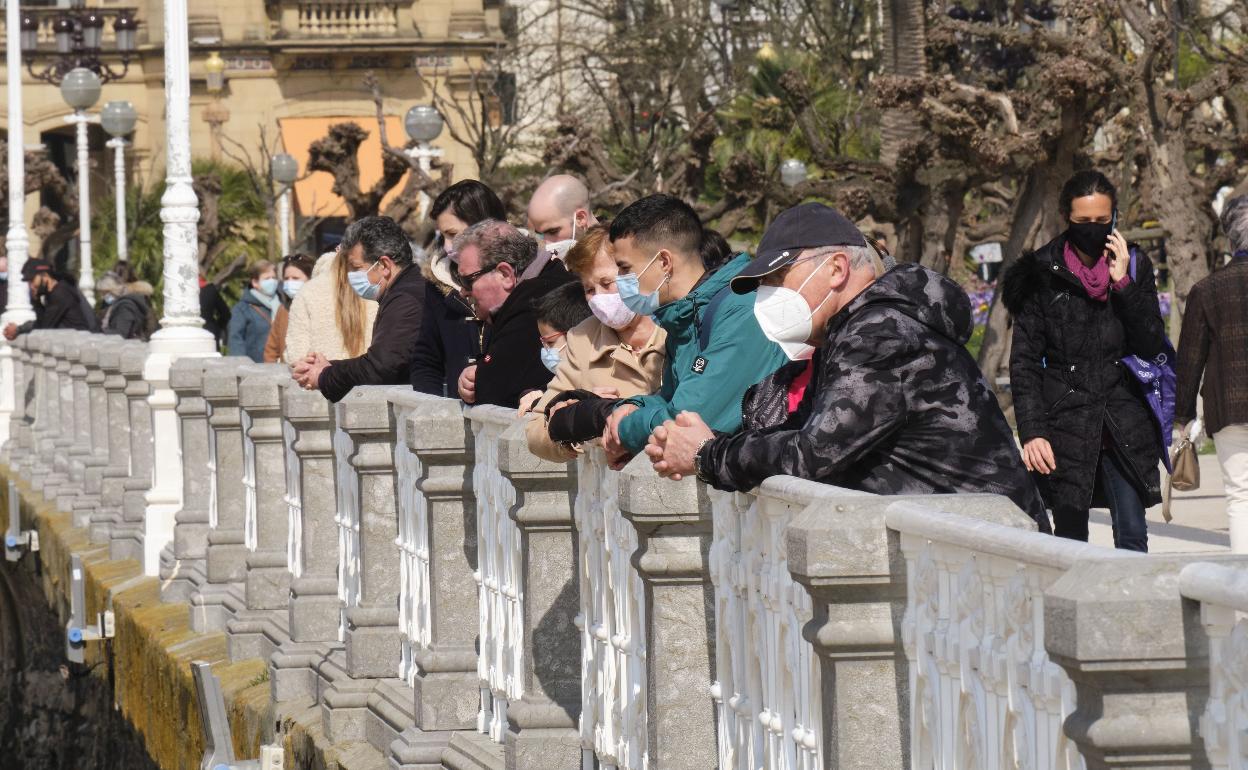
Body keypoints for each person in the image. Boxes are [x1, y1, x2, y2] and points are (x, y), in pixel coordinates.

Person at [643, 202, 1050, 531]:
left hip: (990, 557)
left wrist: (707, 454)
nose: (768, 295)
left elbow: (813, 454)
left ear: (836, 268)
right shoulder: (849, 332)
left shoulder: (880, 333)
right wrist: (707, 443)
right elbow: (795, 431)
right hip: (957, 552)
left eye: (779, 276)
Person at [1002, 171, 1167, 550]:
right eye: (1083, 222)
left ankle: (1133, 609)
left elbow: (1151, 344)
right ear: (1066, 217)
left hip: (1123, 419)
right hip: (1065, 423)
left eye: (1102, 221)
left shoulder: (1135, 265)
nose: (1093, 229)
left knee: (1132, 535)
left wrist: (1123, 284)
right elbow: (1024, 361)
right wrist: (1032, 431)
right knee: (1071, 538)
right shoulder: (1040, 273)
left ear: (1114, 217)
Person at [600, 194, 788, 469]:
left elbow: (689, 420)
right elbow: (671, 398)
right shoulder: (685, 316)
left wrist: (625, 429)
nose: (620, 282)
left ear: (664, 262)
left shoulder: (740, 311)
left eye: (625, 269)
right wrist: (629, 407)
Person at [524, 225, 667, 462]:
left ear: (635, 272)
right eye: (589, 289)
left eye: (607, 283)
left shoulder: (675, 327)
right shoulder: (583, 337)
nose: (599, 297)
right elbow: (537, 432)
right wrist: (578, 418)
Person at [1175, 195, 1248, 552]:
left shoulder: (1206, 290)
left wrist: (1182, 417)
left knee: (1240, 497)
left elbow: (1189, 360)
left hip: (1229, 406)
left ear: (1230, 238)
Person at [292, 216, 425, 402]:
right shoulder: (400, 292)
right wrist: (329, 367)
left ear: (385, 265)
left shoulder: (406, 300)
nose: (351, 277)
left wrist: (325, 375)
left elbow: (380, 368)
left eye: (356, 268)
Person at [455, 219, 578, 408]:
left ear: (505, 274)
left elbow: (492, 391)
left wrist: (478, 376)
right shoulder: (549, 282)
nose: (462, 291)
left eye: (466, 280)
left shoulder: (533, 302)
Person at [410, 180, 503, 396]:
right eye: (442, 236)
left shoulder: (528, 277)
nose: (447, 245)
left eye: (453, 234)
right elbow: (425, 359)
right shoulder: (436, 282)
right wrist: (433, 413)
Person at [285, 249, 378, 366]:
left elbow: (296, 355)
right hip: (373, 379)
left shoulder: (307, 292)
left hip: (321, 380)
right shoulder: (378, 290)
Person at [3, 258, 95, 339]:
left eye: (32, 280)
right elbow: (42, 322)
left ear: (45, 276)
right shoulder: (53, 294)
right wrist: (20, 329)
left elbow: (44, 327)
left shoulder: (60, 293)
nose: (31, 286)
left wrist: (35, 301)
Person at [525, 174, 600, 264]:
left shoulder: (618, 256)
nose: (547, 244)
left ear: (580, 218)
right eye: (540, 234)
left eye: (553, 231)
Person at [263, 253, 315, 363]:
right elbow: (271, 350)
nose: (290, 282)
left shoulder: (320, 308)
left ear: (310, 279)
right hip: (285, 375)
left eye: (296, 278)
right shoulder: (283, 310)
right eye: (286, 278)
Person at [228, 260, 280, 362]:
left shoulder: (282, 305)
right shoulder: (242, 309)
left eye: (274, 278)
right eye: (267, 278)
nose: (272, 281)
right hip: (256, 369)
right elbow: (235, 341)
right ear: (255, 282)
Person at [96, 270, 155, 340]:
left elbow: (121, 333)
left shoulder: (125, 306)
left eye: (104, 293)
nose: (102, 297)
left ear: (113, 289)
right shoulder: (122, 303)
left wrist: (98, 334)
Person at [200, 276, 232, 350]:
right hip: (210, 333)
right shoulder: (210, 290)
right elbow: (226, 313)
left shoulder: (179, 291)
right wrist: (217, 326)